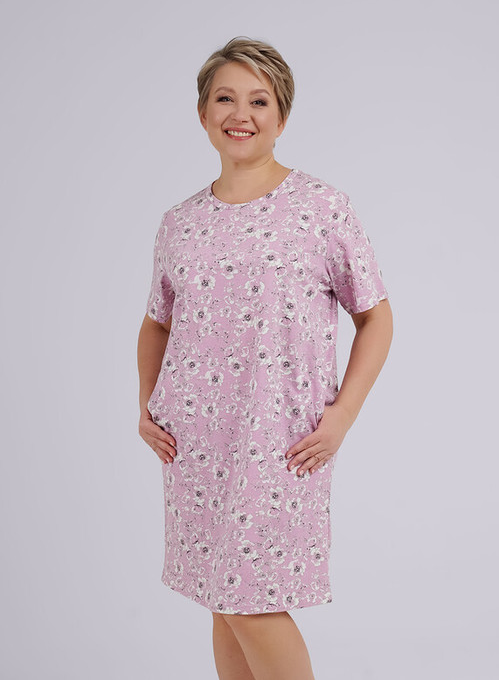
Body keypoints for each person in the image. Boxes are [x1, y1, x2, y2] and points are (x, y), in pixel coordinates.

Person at [137, 36, 393, 680]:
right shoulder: (179, 223)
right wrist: (147, 407)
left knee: (252, 602)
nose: (240, 114)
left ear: (282, 116)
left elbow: (376, 318)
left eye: (259, 100)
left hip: (281, 442)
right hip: (194, 445)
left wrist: (342, 417)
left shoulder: (320, 208)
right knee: (223, 603)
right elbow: (156, 322)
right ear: (202, 113)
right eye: (225, 98)